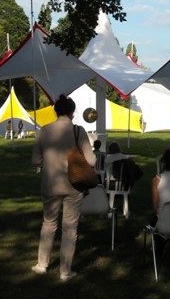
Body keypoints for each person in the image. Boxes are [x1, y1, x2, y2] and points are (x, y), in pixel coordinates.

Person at [31, 94, 96, 281]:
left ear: (56, 111)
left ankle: (42, 264)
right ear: (72, 112)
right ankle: (65, 271)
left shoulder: (43, 131)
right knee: (70, 229)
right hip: (73, 185)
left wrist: (49, 164)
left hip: (50, 184)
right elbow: (91, 160)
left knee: (48, 224)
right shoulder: (78, 131)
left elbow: (35, 160)